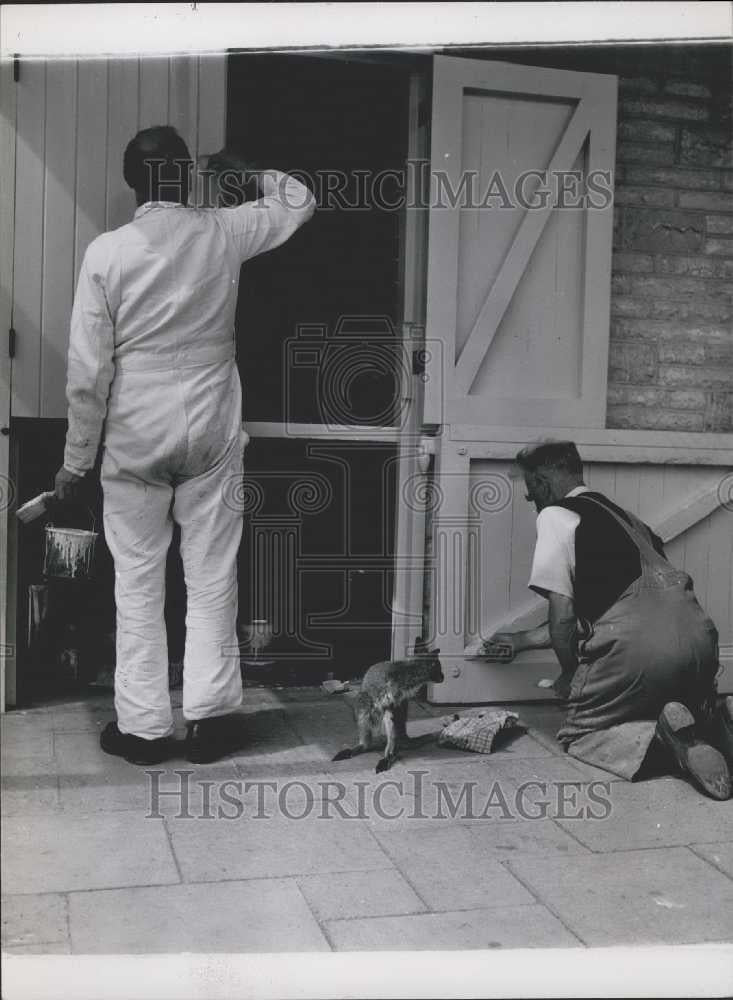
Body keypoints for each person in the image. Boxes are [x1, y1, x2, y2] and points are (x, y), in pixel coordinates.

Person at [55, 125, 315, 764]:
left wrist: (74, 464)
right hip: (211, 420)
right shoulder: (223, 232)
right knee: (212, 575)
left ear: (131, 181)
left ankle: (142, 729)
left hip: (135, 428)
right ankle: (212, 722)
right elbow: (299, 199)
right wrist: (246, 167)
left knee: (137, 581)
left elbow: (88, 374)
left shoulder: (107, 253)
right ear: (188, 176)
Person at [486, 440, 732, 800]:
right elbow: (610, 611)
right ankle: (713, 721)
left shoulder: (555, 515)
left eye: (530, 493)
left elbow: (565, 616)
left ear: (542, 482)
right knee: (653, 695)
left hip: (639, 652)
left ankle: (668, 742)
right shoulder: (631, 521)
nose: (533, 502)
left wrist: (570, 673)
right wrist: (522, 640)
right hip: (698, 645)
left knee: (580, 734)